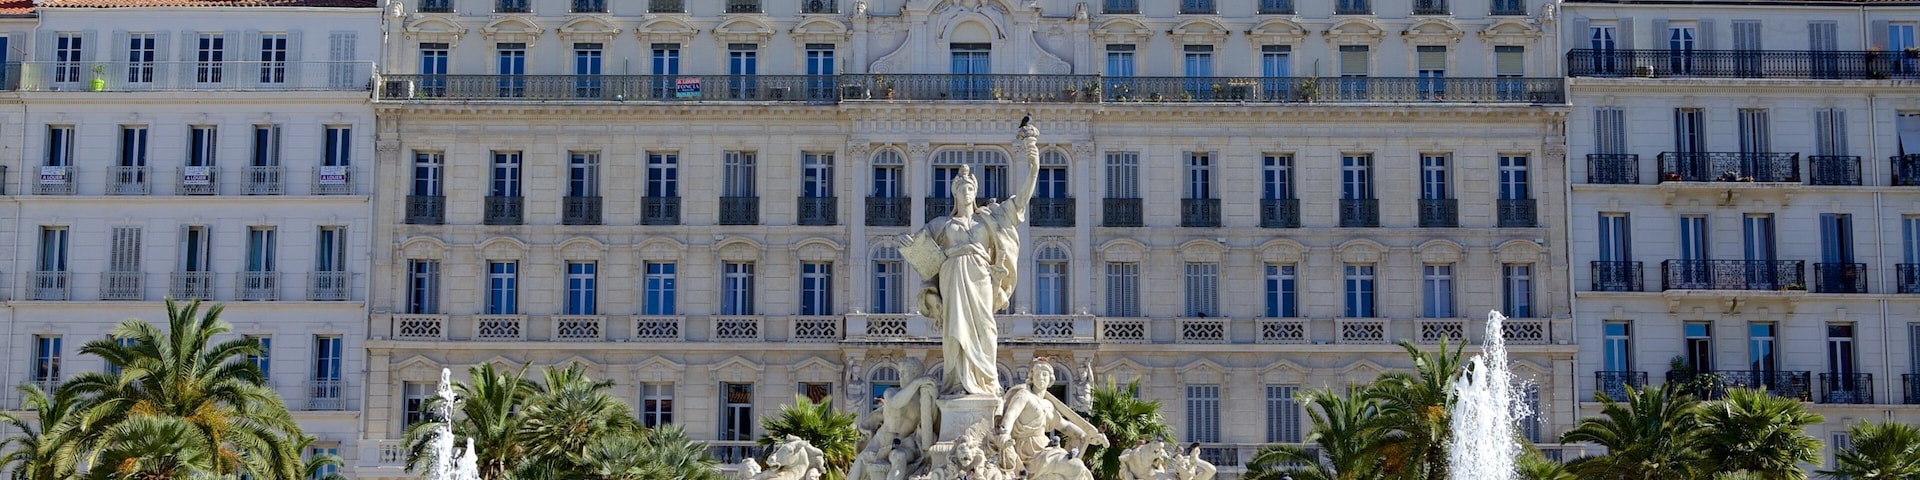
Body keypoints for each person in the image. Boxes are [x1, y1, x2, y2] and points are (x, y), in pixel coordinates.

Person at [901, 122, 1041, 396]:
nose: (966, 191)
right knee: (955, 332)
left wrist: (1033, 166)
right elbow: (920, 250)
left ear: (975, 192)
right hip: (952, 275)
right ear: (954, 193)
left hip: (981, 277)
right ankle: (956, 384)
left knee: (986, 330)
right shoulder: (942, 224)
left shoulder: (989, 218)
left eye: (969, 188)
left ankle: (986, 383)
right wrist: (909, 245)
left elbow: (1021, 201)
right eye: (961, 188)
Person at [998, 361, 1106, 471]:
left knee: (1076, 467)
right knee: (1072, 466)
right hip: (1026, 449)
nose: (1041, 377)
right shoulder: (1024, 395)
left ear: (1050, 379)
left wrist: (1086, 435)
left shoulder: (1048, 405)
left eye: (1044, 374)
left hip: (1045, 446)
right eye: (1037, 374)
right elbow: (1011, 415)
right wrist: (1004, 434)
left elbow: (1064, 426)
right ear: (1032, 377)